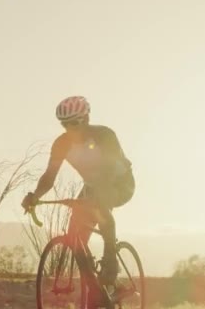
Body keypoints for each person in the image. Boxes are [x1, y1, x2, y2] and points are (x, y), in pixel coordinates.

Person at [22, 95, 136, 287]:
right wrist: (35, 196)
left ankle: (110, 261)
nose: (70, 129)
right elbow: (49, 176)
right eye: (65, 124)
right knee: (75, 234)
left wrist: (94, 197)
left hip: (120, 183)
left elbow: (109, 170)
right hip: (92, 186)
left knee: (99, 203)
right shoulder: (61, 144)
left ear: (86, 118)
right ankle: (92, 284)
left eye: (74, 123)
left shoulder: (104, 135)